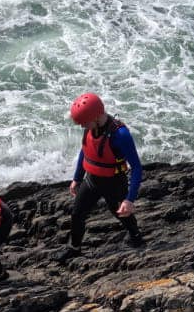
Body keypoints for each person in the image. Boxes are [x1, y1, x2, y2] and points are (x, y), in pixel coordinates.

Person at [59, 93, 144, 264]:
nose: (82, 125)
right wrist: (77, 178)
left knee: (121, 213)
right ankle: (74, 248)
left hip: (114, 183)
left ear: (96, 117)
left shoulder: (121, 135)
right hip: (92, 179)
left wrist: (130, 199)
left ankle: (136, 236)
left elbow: (136, 167)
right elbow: (85, 150)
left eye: (84, 122)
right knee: (77, 214)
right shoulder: (91, 127)